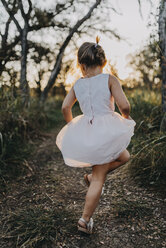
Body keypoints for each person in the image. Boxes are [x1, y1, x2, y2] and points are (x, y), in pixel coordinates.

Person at [56, 36, 136, 234]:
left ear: (82, 65)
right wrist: (124, 117)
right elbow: (124, 105)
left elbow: (66, 107)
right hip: (105, 130)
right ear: (104, 61)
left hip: (87, 128)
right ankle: (84, 220)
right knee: (101, 177)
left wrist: (73, 126)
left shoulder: (78, 84)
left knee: (124, 156)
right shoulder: (110, 79)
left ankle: (91, 177)